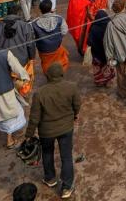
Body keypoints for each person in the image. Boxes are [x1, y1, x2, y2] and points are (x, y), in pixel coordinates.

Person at [24, 63, 81, 199]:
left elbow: (34, 117)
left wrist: (29, 135)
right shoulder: (71, 87)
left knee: (47, 153)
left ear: (47, 76)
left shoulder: (40, 93)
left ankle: (50, 178)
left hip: (46, 131)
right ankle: (66, 187)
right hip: (66, 128)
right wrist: (74, 115)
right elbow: (77, 105)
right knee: (66, 156)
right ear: (62, 74)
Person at [32, 0, 70, 75]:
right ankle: (58, 75)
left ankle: (49, 77)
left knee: (47, 67)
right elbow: (64, 31)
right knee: (61, 61)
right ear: (51, 9)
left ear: (40, 10)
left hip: (44, 52)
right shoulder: (59, 19)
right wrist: (57, 37)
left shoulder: (34, 23)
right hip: (57, 48)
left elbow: (32, 38)